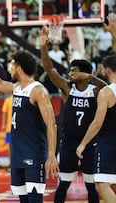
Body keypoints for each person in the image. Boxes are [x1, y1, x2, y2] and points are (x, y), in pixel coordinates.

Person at [0, 40, 59, 202]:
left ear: (19, 68)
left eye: (12, 65)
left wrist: (51, 155)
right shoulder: (17, 87)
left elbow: (51, 124)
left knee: (34, 198)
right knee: (23, 198)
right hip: (17, 153)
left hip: (34, 153)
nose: (10, 68)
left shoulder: (38, 90)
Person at [39, 27, 107, 203]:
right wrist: (43, 47)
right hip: (69, 142)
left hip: (90, 142)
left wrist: (90, 77)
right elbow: (49, 68)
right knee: (63, 184)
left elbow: (108, 87)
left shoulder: (96, 90)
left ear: (84, 73)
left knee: (91, 186)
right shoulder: (68, 89)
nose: (70, 74)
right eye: (70, 71)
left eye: (74, 71)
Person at [76, 14, 116, 203]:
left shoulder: (107, 92)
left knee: (101, 184)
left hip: (109, 142)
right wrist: (114, 34)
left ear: (107, 70)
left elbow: (97, 123)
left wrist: (83, 143)